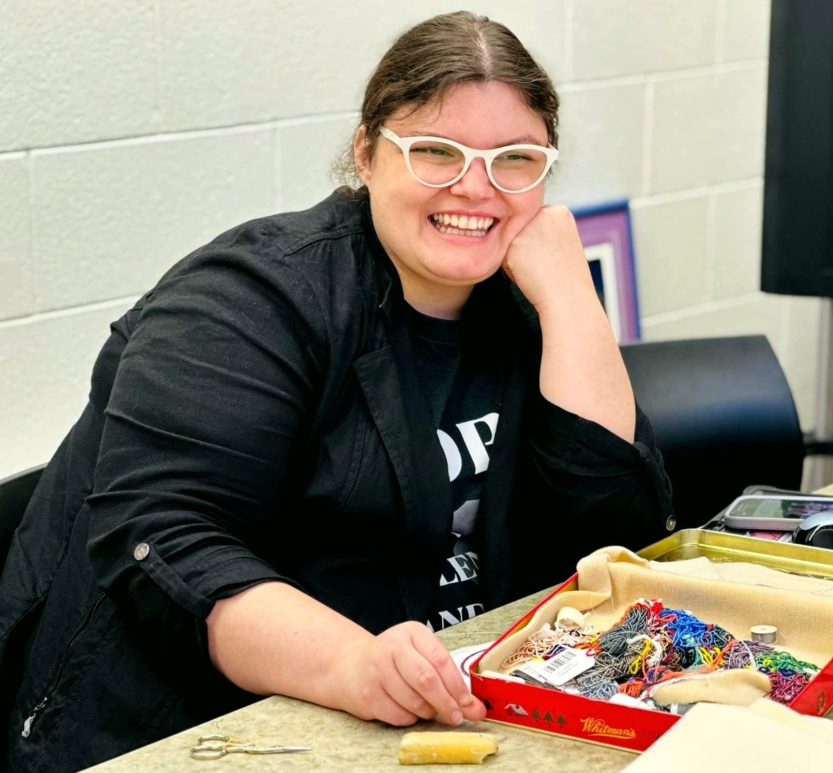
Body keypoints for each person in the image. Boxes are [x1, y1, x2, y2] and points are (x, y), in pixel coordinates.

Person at [0, 11, 673, 771]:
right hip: (192, 730)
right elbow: (165, 542)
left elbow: (617, 536)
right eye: (435, 152)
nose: (475, 187)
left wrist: (571, 299)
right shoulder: (247, 301)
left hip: (436, 718)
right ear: (366, 153)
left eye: (514, 159)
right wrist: (357, 664)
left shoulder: (519, 298)